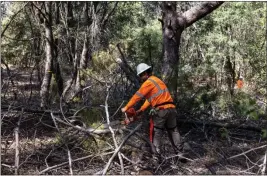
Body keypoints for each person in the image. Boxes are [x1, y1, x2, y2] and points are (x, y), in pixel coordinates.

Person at [121, 63, 182, 155]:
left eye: (141, 75)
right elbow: (151, 99)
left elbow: (138, 96)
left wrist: (127, 107)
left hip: (161, 110)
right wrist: (141, 110)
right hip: (171, 109)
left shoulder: (148, 82)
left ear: (146, 73)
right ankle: (180, 153)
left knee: (156, 132)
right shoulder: (157, 80)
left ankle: (156, 155)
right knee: (173, 130)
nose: (141, 77)